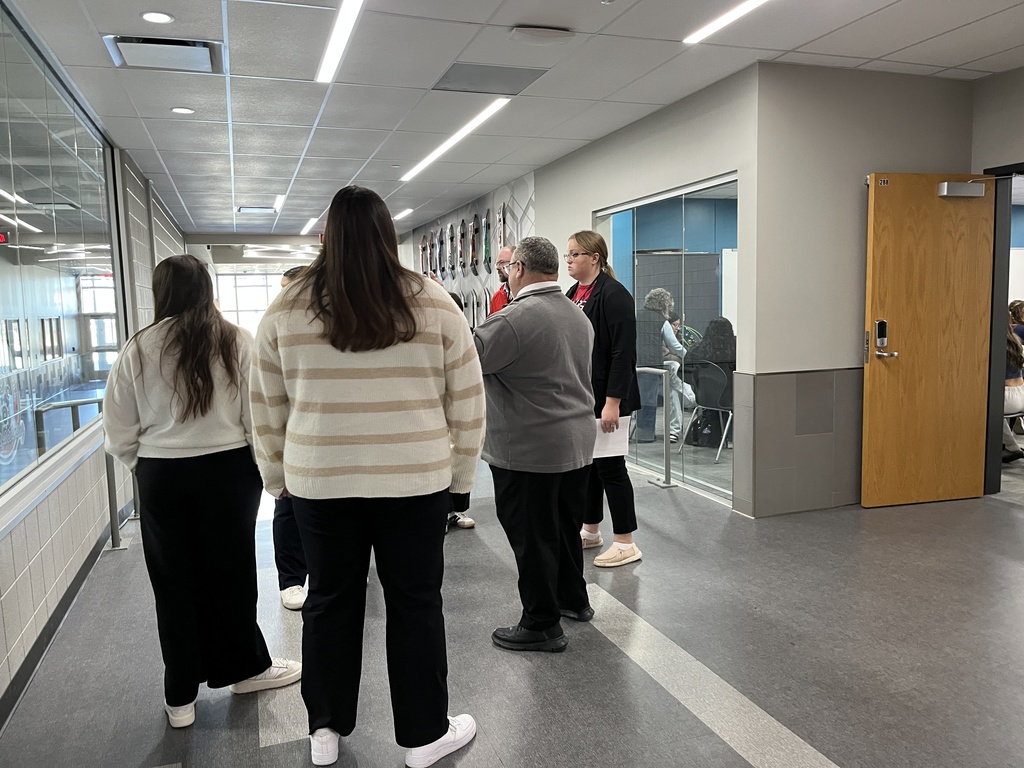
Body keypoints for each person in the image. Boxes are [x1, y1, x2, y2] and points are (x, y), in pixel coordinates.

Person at [250, 186, 484, 768]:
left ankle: (325, 731)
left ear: (325, 237)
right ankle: (424, 736)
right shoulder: (433, 301)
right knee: (416, 603)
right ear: (388, 236)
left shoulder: (286, 308)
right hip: (415, 481)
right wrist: (461, 477)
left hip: (320, 483)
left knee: (329, 601)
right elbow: (467, 398)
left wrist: (276, 476)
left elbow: (265, 405)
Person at [103, 254, 301, 731]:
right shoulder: (236, 340)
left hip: (161, 477)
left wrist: (146, 465)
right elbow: (257, 417)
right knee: (233, 573)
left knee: (171, 581)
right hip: (228, 474)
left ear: (161, 292)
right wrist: (265, 470)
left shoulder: (138, 348)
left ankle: (180, 697)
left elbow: (118, 427)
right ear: (207, 290)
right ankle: (246, 670)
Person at [475, 236, 596, 652]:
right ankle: (572, 600)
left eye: (508, 267)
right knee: (563, 528)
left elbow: (465, 357)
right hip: (576, 443)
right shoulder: (577, 314)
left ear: (519, 269)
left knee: (532, 536)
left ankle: (541, 623)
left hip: (529, 448)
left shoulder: (513, 319)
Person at [565, 230, 644, 568]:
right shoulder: (573, 293)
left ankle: (626, 541)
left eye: (575, 254)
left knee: (611, 468)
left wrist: (613, 402)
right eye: (567, 255)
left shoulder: (614, 295)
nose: (569, 261)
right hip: (584, 395)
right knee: (590, 468)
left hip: (609, 397)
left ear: (594, 258)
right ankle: (591, 529)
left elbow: (623, 353)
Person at [274, 265, 309, 610]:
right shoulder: (275, 327)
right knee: (287, 509)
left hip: (322, 441)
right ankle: (291, 580)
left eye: (289, 289)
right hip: (289, 439)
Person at [638, 288, 684, 442]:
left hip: (636, 363)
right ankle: (645, 435)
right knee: (649, 400)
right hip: (652, 365)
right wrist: (690, 355)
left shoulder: (636, 315)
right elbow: (675, 345)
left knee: (640, 398)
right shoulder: (661, 320)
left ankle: (639, 432)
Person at [1003, 316, 1024, 462]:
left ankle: (1011, 445)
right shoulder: (1016, 341)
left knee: (979, 406)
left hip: (1007, 397)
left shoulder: (996, 343)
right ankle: (1011, 445)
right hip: (1021, 392)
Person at [488, 245, 514, 315]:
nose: (497, 267)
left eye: (502, 262)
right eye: (497, 264)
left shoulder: (527, 294)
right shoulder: (497, 297)